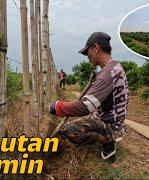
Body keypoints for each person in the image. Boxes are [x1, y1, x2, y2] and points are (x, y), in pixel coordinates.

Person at [49, 32, 129, 160]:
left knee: (71, 131)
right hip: (111, 119)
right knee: (75, 122)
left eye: (88, 52)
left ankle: (108, 141)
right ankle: (107, 136)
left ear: (96, 48)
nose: (87, 57)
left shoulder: (107, 74)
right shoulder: (115, 67)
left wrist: (58, 106)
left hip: (111, 125)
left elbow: (84, 107)